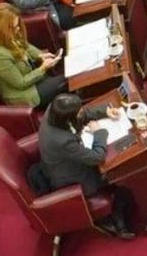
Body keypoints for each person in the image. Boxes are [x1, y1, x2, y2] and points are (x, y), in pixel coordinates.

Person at [39, 93, 135, 239]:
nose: (81, 112)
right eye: (78, 112)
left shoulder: (54, 109)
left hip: (68, 161)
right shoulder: (62, 141)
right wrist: (99, 132)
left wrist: (105, 111)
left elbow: (79, 115)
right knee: (118, 164)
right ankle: (115, 215)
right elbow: (97, 157)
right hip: (74, 178)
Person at [0, 2, 66, 110]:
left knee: (67, 77)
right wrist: (43, 68)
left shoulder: (9, 34)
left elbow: (26, 46)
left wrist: (41, 55)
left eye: (17, 25)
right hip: (25, 93)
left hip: (33, 78)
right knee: (66, 81)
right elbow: (21, 83)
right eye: (14, 27)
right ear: (2, 29)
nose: (18, 29)